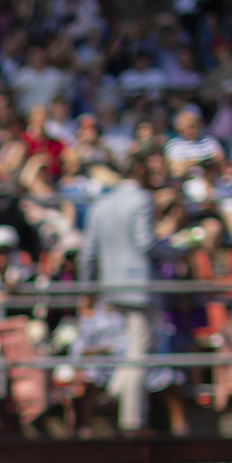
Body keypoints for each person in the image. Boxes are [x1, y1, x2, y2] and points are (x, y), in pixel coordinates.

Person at [85, 154, 157, 432]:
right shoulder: (142, 199)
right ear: (138, 170)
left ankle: (115, 387)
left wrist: (88, 286)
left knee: (134, 345)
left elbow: (89, 252)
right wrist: (177, 250)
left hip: (111, 286)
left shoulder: (101, 204)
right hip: (137, 286)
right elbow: (146, 244)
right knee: (141, 348)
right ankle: (131, 419)